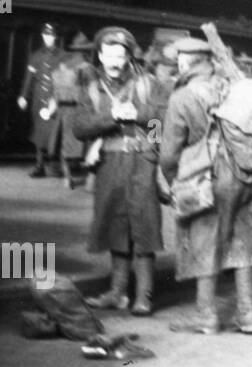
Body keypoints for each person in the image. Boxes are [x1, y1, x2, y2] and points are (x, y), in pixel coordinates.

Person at [159, 37, 252, 334]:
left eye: (179, 61)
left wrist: (171, 179)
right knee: (242, 241)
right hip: (245, 171)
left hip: (207, 178)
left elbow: (170, 152)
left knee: (204, 241)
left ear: (186, 63)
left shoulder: (182, 97)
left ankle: (206, 315)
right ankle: (247, 315)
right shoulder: (234, 86)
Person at [73, 26, 166, 317]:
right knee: (115, 225)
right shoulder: (91, 88)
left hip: (142, 162)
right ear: (99, 55)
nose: (114, 60)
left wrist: (138, 114)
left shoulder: (148, 84)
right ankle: (117, 292)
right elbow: (79, 127)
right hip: (109, 165)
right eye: (108, 54)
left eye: (120, 54)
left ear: (128, 56)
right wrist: (110, 117)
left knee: (143, 225)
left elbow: (165, 122)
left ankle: (143, 296)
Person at [19, 22, 65, 177]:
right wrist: (24, 96)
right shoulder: (36, 55)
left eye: (51, 35)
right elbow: (28, 78)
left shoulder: (63, 56)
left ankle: (54, 165)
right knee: (39, 132)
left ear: (55, 37)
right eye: (45, 35)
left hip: (54, 97)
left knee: (54, 132)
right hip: (38, 98)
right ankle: (39, 166)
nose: (48, 38)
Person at [50, 32, 92, 186]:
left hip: (63, 109)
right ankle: (89, 178)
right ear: (86, 50)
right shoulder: (87, 67)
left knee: (64, 145)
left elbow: (55, 89)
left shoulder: (64, 66)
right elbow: (92, 91)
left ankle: (67, 177)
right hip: (80, 109)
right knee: (87, 144)